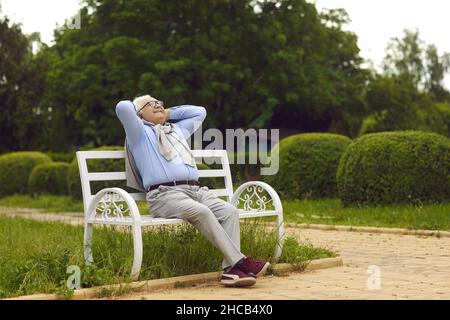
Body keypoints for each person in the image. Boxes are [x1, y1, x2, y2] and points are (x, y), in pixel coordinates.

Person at [115, 94, 270, 287]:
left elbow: (200, 112)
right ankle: (241, 262)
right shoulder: (138, 133)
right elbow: (122, 107)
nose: (157, 105)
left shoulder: (176, 130)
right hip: (164, 195)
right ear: (138, 114)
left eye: (158, 102)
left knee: (229, 211)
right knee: (202, 211)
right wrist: (140, 111)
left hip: (196, 191)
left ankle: (231, 271)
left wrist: (167, 112)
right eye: (150, 104)